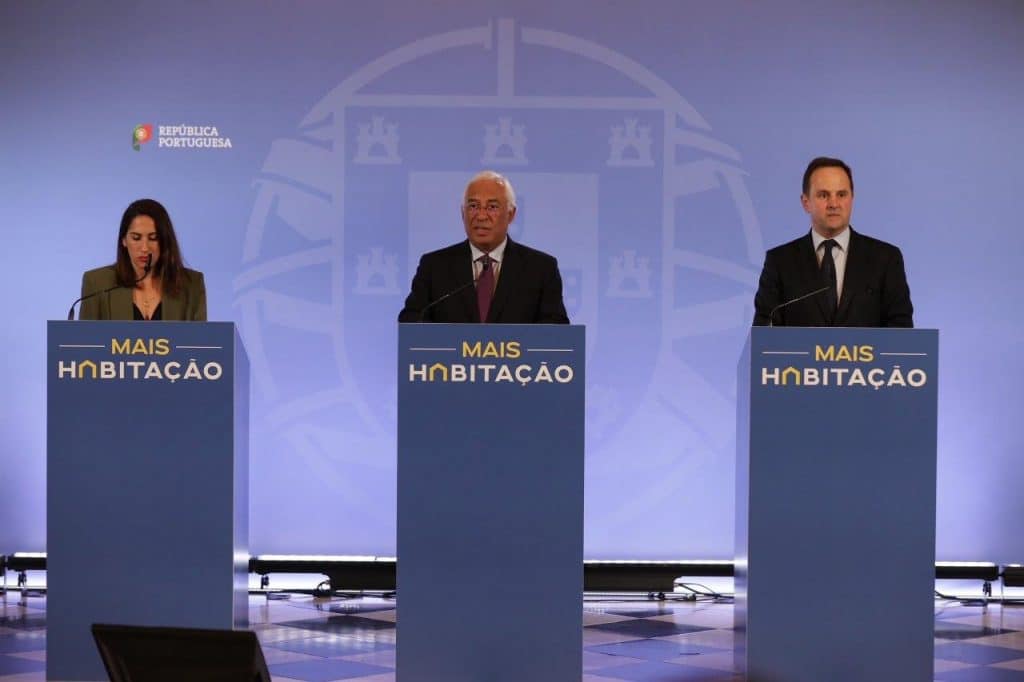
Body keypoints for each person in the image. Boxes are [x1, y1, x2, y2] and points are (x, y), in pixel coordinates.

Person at [752, 157, 913, 327]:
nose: (834, 204)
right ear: (806, 202)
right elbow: (764, 334)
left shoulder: (885, 259)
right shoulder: (780, 262)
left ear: (852, 198)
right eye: (823, 195)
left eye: (841, 194)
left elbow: (901, 333)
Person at [398, 171, 570, 324]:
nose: (481, 216)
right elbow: (411, 321)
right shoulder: (434, 267)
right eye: (473, 206)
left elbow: (555, 335)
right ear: (462, 213)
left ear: (511, 214)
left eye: (492, 207)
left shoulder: (541, 269)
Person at [79, 199, 207, 321]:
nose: (145, 248)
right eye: (136, 238)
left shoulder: (192, 285)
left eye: (153, 238)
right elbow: (86, 341)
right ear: (124, 240)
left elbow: (200, 342)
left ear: (165, 241)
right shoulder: (97, 283)